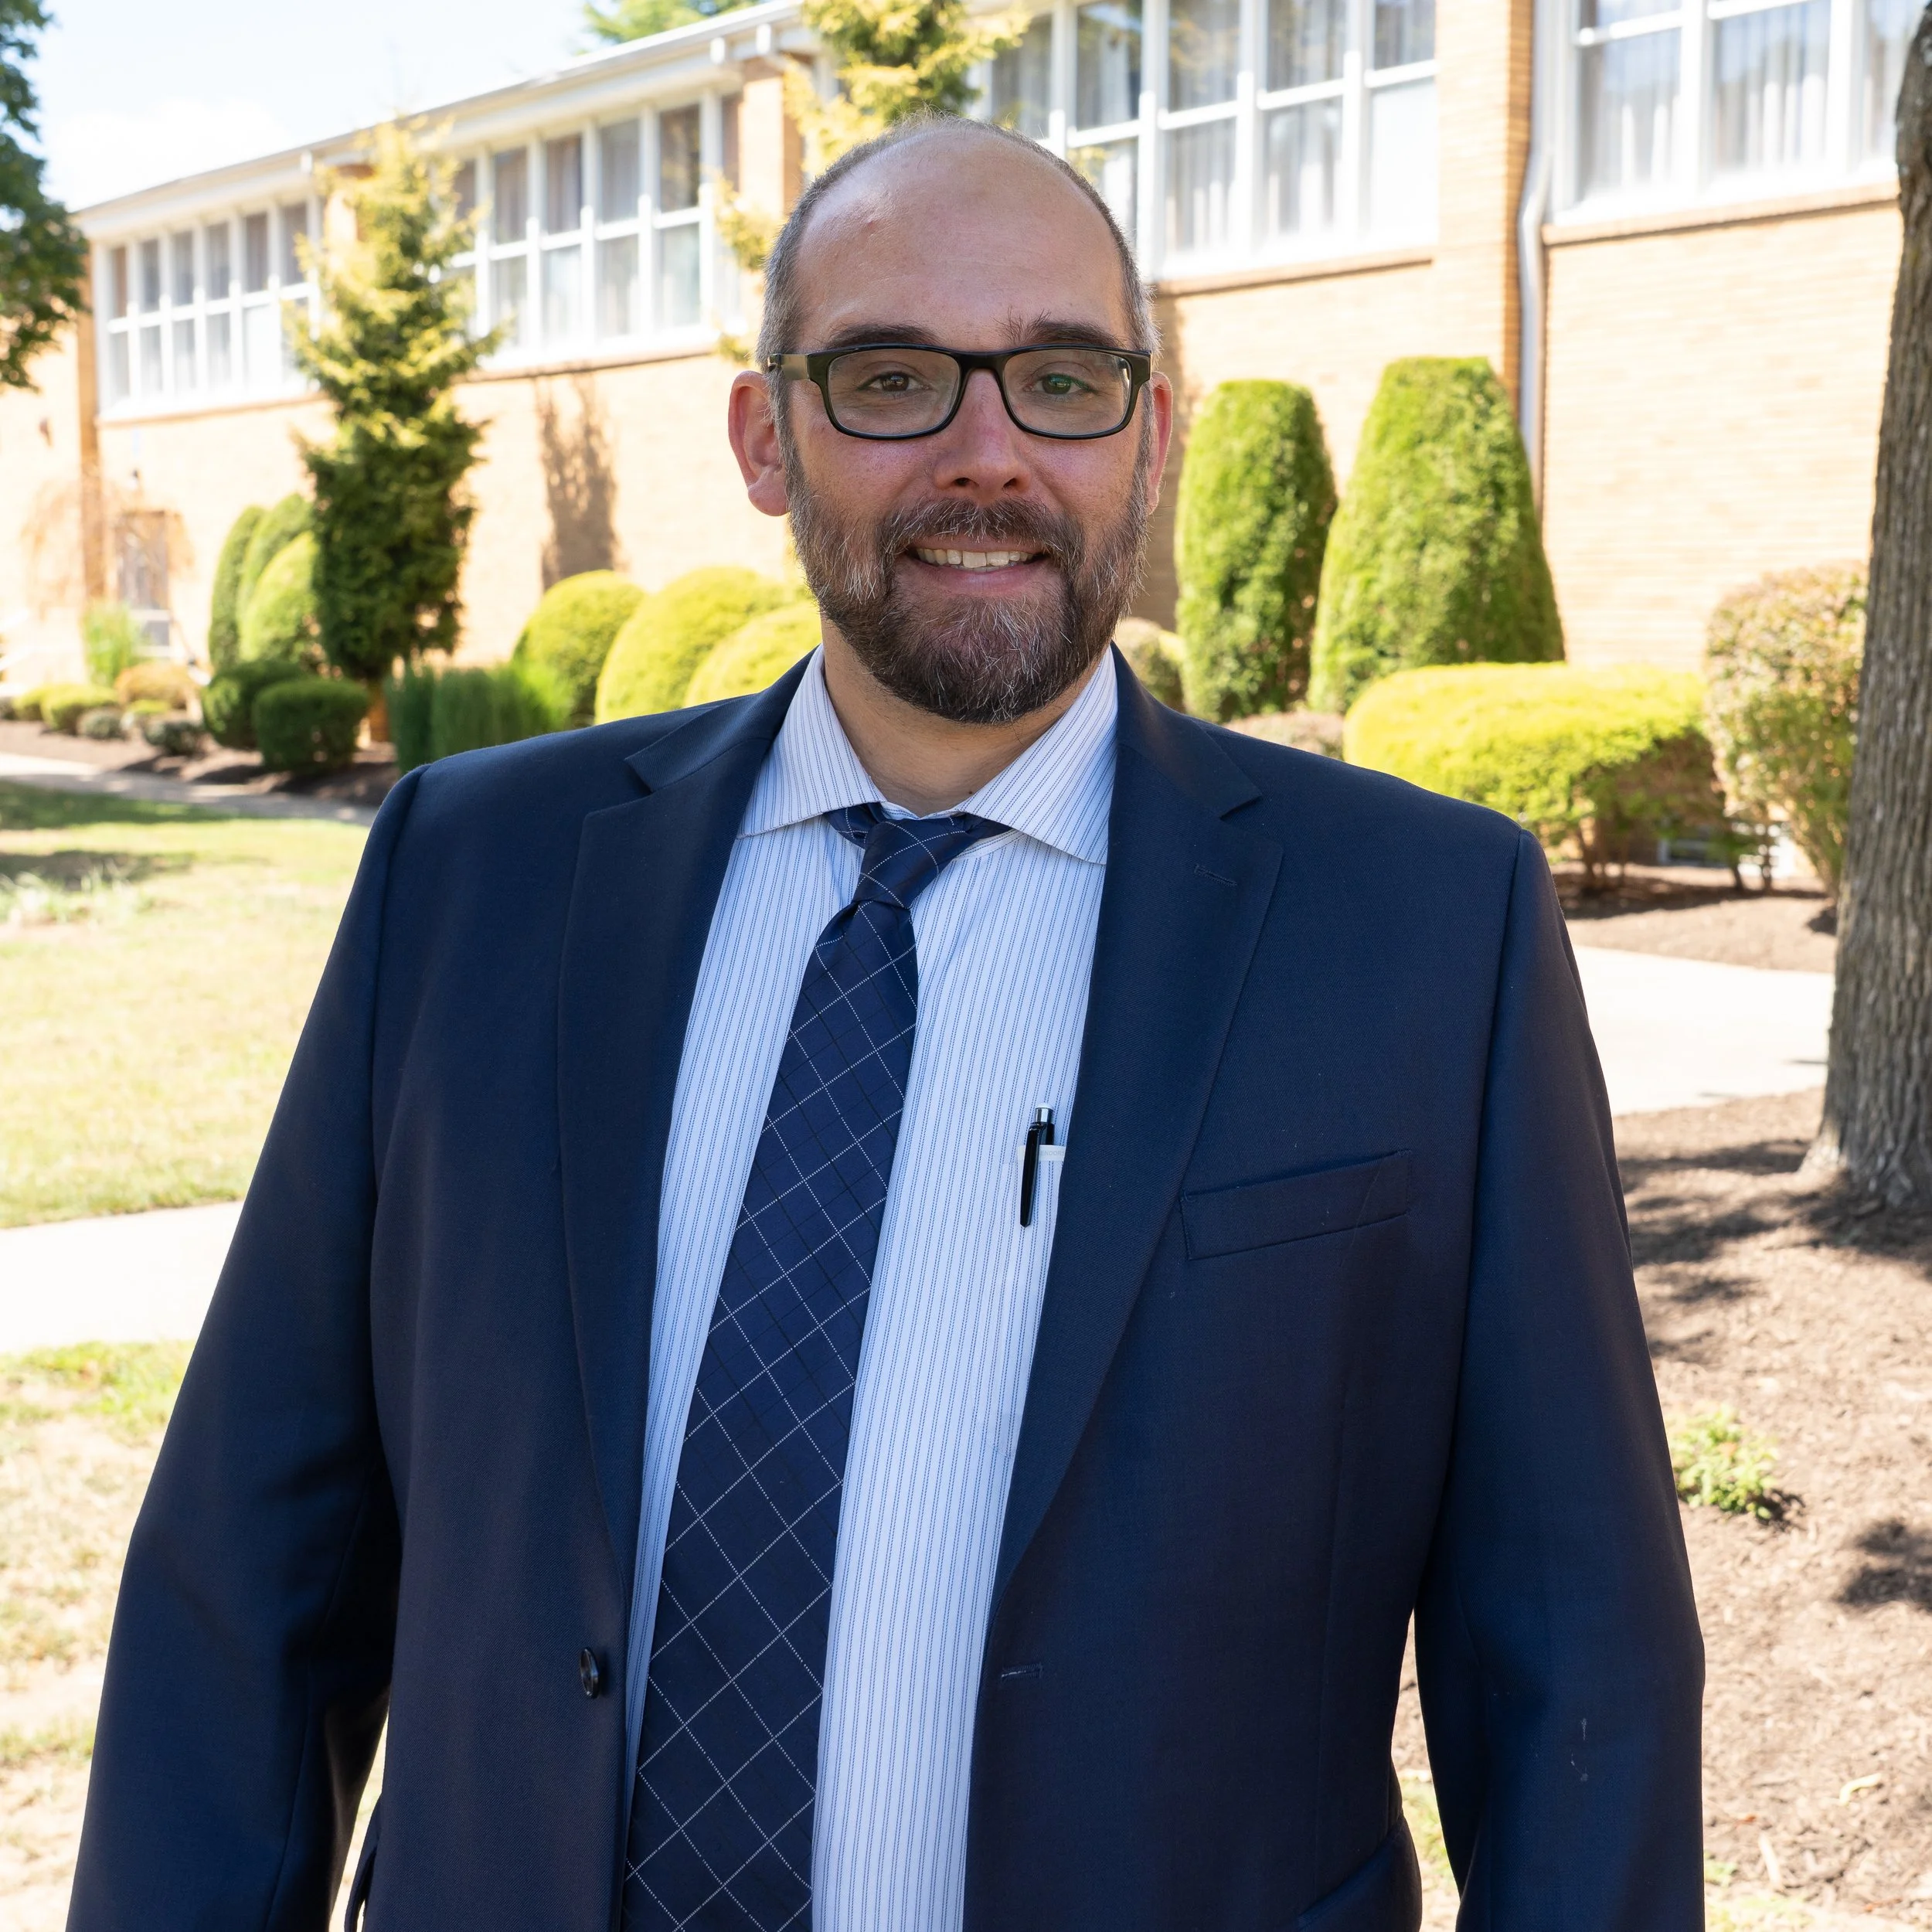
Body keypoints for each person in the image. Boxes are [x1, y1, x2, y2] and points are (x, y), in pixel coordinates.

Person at [70, 117, 1702, 1932]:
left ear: (1149, 435)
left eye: (1063, 378)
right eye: (894, 377)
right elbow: (252, 1577)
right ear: (767, 440)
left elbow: (1580, 1670)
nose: (988, 452)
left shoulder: (1417, 928)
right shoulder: (475, 880)